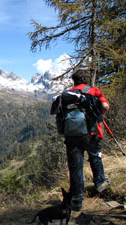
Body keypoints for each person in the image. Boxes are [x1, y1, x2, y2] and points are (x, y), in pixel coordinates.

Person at [64, 69, 111, 211]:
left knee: (76, 166)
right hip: (92, 133)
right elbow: (105, 106)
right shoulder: (94, 91)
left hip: (72, 135)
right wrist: (99, 116)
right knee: (95, 157)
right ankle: (100, 184)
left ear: (74, 80)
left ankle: (77, 199)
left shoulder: (67, 95)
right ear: (87, 79)